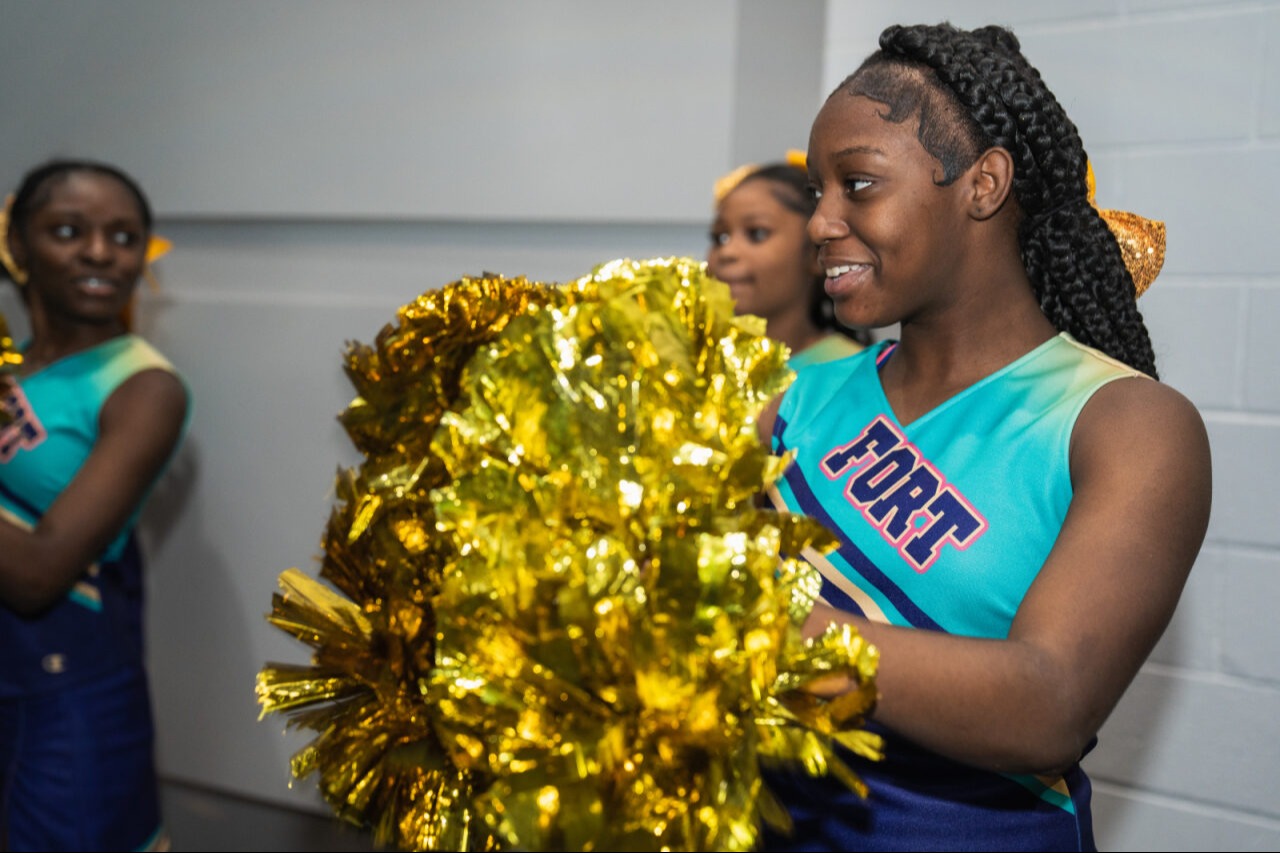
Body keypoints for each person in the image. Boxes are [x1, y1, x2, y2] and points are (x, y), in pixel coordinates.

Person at [757, 22, 1211, 851]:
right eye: (816, 189)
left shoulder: (1125, 426)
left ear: (983, 183)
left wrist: (752, 622)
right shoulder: (797, 391)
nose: (820, 222)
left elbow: (1048, 704)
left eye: (856, 183)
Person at [0, 159, 190, 852]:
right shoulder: (14, 368)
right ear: (18, 245)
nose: (100, 253)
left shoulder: (142, 388)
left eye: (123, 236)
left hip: (69, 696)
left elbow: (38, 573)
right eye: (68, 230)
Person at [708, 153, 870, 368]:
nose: (727, 252)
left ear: (816, 254)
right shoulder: (695, 367)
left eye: (757, 234)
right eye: (720, 237)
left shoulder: (851, 371)